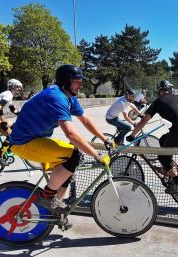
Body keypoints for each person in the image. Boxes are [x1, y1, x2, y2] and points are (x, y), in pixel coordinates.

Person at [9, 64, 114, 214]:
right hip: (24, 143)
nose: (81, 84)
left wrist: (104, 139)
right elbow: (70, 134)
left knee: (69, 165)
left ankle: (55, 207)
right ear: (66, 81)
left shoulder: (68, 96)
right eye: (77, 81)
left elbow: (85, 120)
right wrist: (97, 155)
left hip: (36, 139)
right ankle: (46, 196)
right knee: (74, 156)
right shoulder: (57, 97)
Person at [126, 80, 178, 194]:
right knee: (163, 139)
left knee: (163, 157)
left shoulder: (158, 102)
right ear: (170, 90)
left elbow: (144, 120)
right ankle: (168, 167)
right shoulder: (177, 99)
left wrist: (132, 135)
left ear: (159, 92)